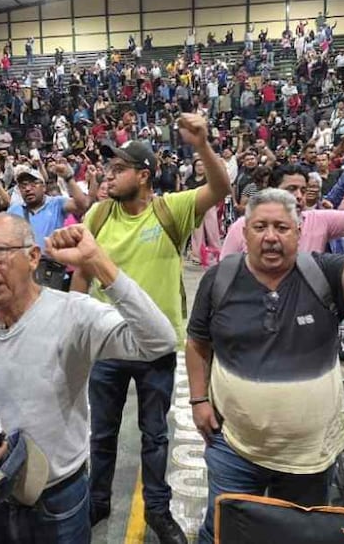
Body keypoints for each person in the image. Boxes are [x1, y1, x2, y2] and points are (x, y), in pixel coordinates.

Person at [187, 182, 344, 544]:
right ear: (245, 233)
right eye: (260, 227)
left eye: (281, 228)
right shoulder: (220, 279)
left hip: (310, 455)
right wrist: (198, 400)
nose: (271, 237)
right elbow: (198, 342)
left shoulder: (323, 274)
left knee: (293, 537)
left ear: (298, 231)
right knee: (221, 531)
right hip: (234, 445)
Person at [0, 218, 177, 543]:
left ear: (33, 257)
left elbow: (159, 341)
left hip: (55, 499)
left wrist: (98, 263)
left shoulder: (73, 315)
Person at [76, 115, 229, 543]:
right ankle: (98, 500)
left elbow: (220, 190)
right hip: (106, 345)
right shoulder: (98, 214)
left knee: (155, 434)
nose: (109, 175)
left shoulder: (170, 209)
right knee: (102, 433)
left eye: (119, 168)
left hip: (155, 347)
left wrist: (201, 146)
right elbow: (80, 270)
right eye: (108, 168)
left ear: (144, 176)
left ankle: (158, 511)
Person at [220, 164, 344, 256]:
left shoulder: (320, 220)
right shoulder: (243, 226)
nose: (298, 196)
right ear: (272, 189)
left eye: (303, 190)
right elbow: (224, 274)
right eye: (291, 189)